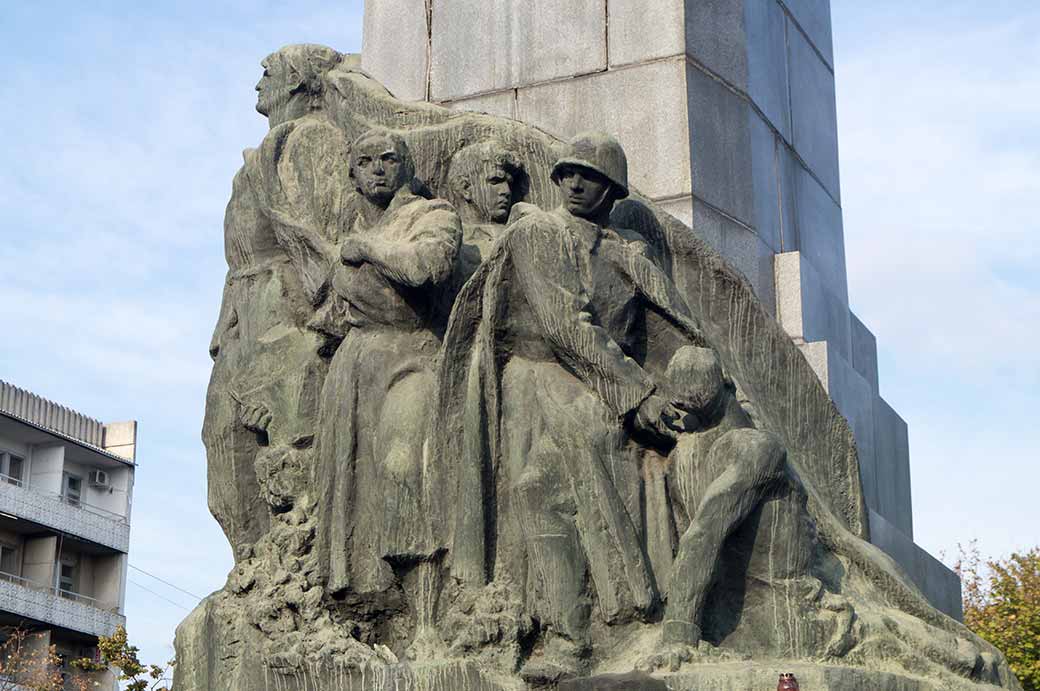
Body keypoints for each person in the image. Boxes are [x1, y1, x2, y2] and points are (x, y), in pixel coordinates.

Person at [436, 132, 717, 681]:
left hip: (597, 390)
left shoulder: (626, 249)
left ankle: (588, 628)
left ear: (611, 189)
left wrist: (693, 391)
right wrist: (639, 393)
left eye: (589, 176)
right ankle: (570, 631)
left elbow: (674, 324)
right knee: (537, 492)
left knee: (552, 490)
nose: (574, 184)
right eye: (567, 173)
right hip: (547, 382)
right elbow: (566, 326)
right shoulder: (538, 233)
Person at [205, 44, 349, 556]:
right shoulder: (261, 155)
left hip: (287, 315)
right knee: (222, 440)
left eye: (269, 71)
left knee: (285, 447)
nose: (259, 80)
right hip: (244, 315)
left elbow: (326, 234)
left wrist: (317, 325)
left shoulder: (311, 140)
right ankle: (251, 566)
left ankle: (290, 560)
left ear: (297, 82)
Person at [313, 128, 461, 603]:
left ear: (407, 167)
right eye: (365, 162)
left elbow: (427, 267)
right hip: (356, 367)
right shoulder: (350, 232)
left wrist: (369, 250)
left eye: (388, 159)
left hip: (412, 357)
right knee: (353, 490)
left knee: (406, 472)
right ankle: (367, 605)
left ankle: (426, 615)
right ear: (352, 175)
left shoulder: (432, 214)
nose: (377, 169)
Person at [446, 140, 531, 279]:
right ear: (466, 188)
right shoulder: (450, 240)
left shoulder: (522, 234)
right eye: (495, 182)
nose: (506, 191)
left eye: (509, 183)